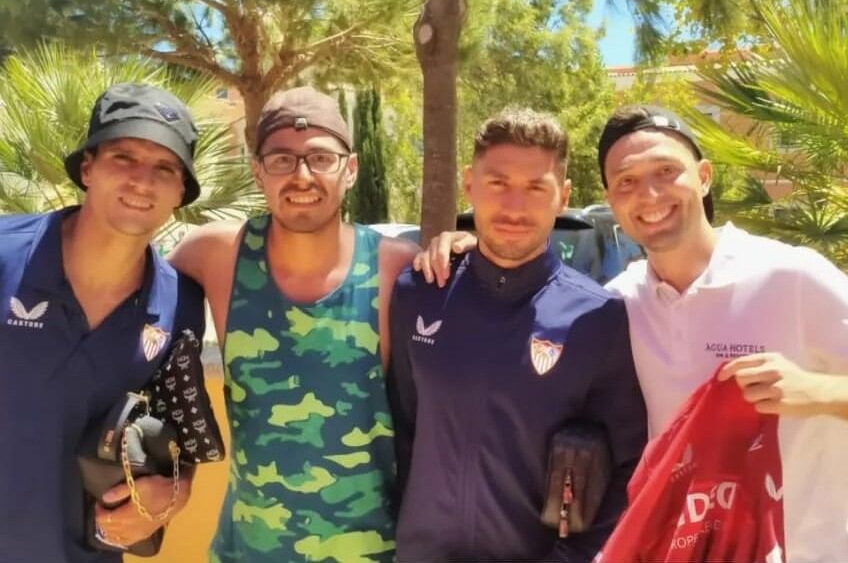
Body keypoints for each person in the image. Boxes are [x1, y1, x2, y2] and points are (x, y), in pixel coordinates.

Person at [418, 105, 848, 561]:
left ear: (703, 177)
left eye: (666, 170)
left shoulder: (792, 276)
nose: (649, 194)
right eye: (626, 181)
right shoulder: (618, 304)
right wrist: (469, 253)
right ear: (610, 199)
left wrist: (817, 390)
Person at [169, 86, 418, 563]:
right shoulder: (216, 257)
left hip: (374, 551)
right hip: (248, 551)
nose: (302, 176)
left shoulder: (395, 268)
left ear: (351, 169)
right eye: (282, 160)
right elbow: (135, 328)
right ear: (257, 170)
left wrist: (461, 247)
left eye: (321, 158)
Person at [387, 108, 647, 562]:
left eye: (535, 188)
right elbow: (402, 431)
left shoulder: (599, 318)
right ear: (470, 184)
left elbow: (628, 468)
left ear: (562, 195)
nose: (514, 207)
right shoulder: (419, 294)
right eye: (498, 183)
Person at [0, 83, 205, 562]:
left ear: (180, 192)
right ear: (87, 168)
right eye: (123, 157)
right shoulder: (6, 253)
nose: (141, 181)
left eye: (164, 168)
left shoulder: (181, 305)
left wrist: (169, 497)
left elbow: (180, 442)